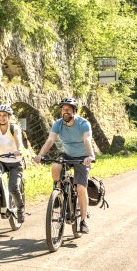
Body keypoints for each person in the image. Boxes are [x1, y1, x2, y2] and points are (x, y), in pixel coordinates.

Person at [33, 97, 95, 233]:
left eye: (68, 109)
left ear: (74, 111)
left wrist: (90, 156)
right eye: (63, 109)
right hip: (67, 154)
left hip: (83, 157)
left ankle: (83, 221)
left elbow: (87, 140)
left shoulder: (83, 123)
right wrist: (40, 155)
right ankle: (59, 192)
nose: (65, 111)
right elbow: (50, 140)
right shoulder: (58, 123)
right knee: (55, 166)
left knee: (80, 189)